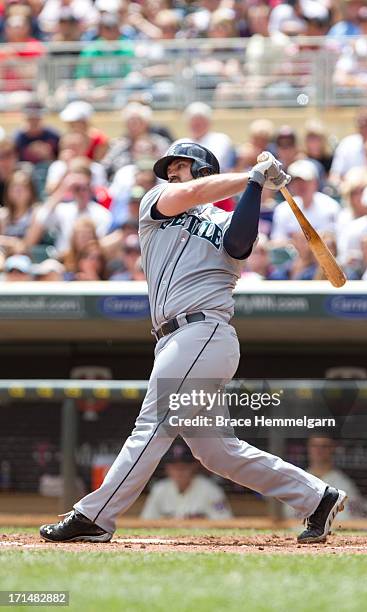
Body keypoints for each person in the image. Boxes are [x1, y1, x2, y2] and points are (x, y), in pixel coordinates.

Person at [40, 143, 347, 545]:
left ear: (204, 172)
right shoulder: (155, 203)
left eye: (182, 166)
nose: (173, 173)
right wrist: (251, 177)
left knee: (152, 425)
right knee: (218, 452)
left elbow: (239, 246)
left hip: (203, 333)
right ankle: (316, 497)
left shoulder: (225, 219)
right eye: (170, 167)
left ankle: (94, 515)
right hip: (176, 341)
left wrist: (254, 189)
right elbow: (189, 196)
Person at [29, 166, 112, 254]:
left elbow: (100, 242)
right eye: (76, 188)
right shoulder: (64, 209)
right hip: (63, 259)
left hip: (88, 260)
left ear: (91, 188)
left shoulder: (102, 214)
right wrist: (63, 189)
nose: (81, 192)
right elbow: (41, 218)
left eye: (85, 187)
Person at [141, 440, 233, 519]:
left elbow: (225, 521)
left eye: (184, 466)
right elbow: (146, 521)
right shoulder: (159, 489)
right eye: (175, 467)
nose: (179, 471)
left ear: (194, 466)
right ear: (167, 468)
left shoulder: (211, 490)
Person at [284, 437, 363, 520]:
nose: (319, 450)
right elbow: (286, 515)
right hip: (296, 531)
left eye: (324, 446)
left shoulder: (344, 483)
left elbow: (352, 519)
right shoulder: (298, 481)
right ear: (308, 448)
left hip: (335, 531)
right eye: (314, 446)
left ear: (332, 448)